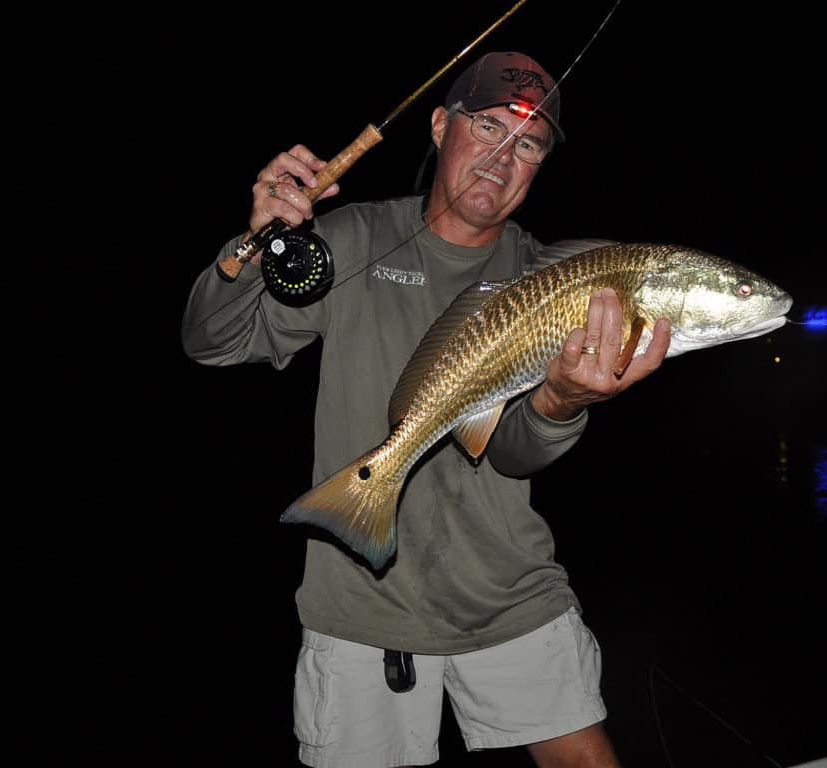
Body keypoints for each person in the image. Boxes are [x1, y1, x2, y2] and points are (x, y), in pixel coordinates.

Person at [181, 50, 671, 768]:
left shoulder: (553, 280)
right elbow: (213, 342)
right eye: (488, 130)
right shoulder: (353, 238)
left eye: (528, 144)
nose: (504, 160)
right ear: (441, 126)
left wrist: (564, 402)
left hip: (510, 594)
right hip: (362, 605)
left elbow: (509, 451)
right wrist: (252, 245)